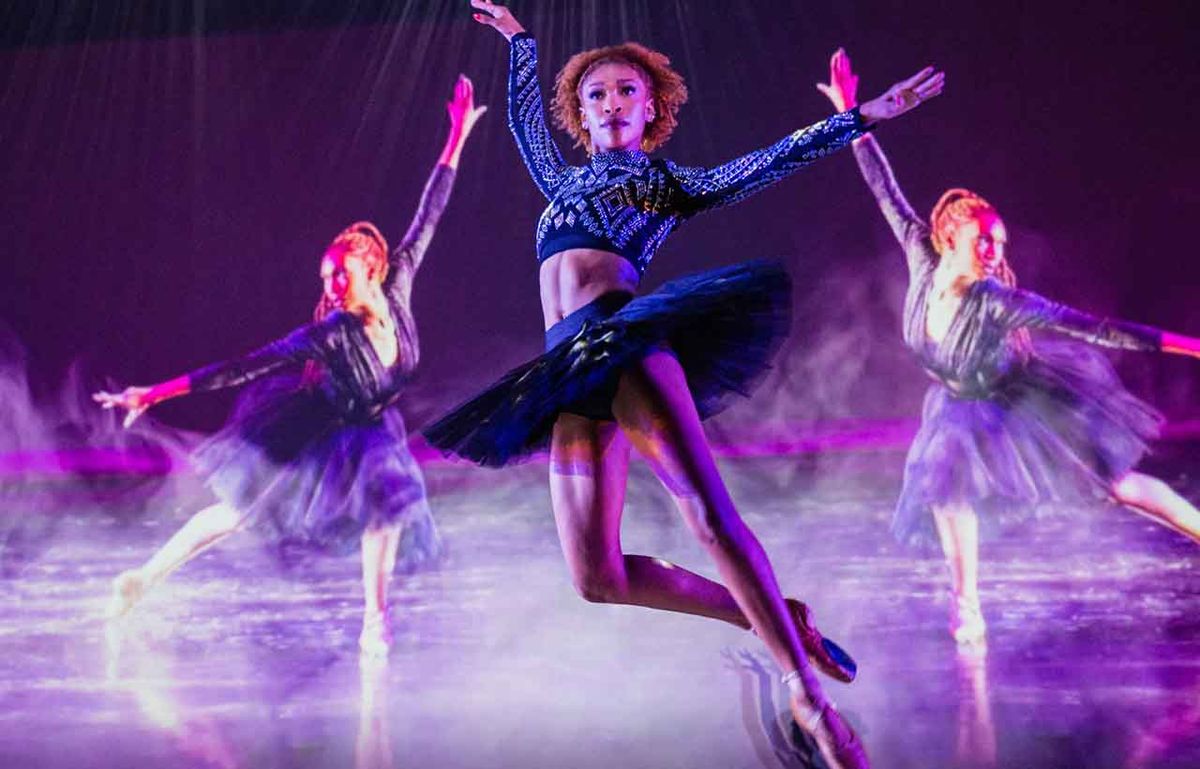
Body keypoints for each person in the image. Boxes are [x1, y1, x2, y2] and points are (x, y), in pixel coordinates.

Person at [428, 3, 943, 765]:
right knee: (596, 575)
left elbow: (764, 163)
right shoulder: (556, 179)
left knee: (705, 510)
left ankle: (807, 691)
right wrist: (521, 44)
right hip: (565, 371)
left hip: (624, 341)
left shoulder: (664, 183)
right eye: (597, 92)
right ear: (583, 111)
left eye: (627, 91)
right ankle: (770, 617)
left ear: (650, 110)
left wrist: (862, 117)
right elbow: (525, 127)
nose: (610, 101)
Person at [816, 48, 1200, 645]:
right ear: (948, 237)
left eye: (999, 242)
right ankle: (966, 605)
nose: (995, 252)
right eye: (983, 241)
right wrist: (851, 114)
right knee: (943, 473)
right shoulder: (920, 254)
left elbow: (1098, 330)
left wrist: (1192, 347)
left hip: (1024, 398)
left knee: (1117, 488)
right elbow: (881, 184)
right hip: (959, 404)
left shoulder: (999, 300)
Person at [93, 75, 486, 657]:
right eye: (326, 278)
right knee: (236, 514)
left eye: (340, 274)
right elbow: (244, 366)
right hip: (319, 427)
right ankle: (140, 581)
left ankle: (375, 621)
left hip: (373, 427)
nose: (330, 286)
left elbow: (428, 215)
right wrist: (152, 395)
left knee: (391, 496)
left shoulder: (399, 282)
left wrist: (454, 140)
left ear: (372, 266)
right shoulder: (329, 334)